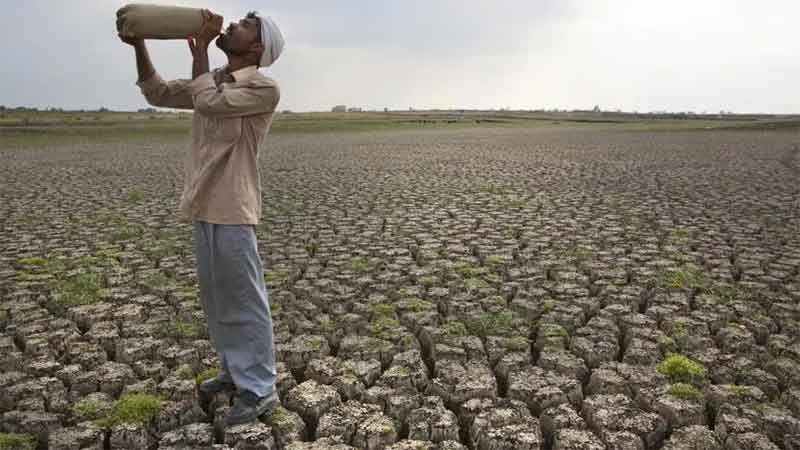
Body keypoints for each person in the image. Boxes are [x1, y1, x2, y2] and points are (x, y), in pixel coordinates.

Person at [119, 9, 285, 426]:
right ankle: (233, 372)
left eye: (244, 23)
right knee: (217, 299)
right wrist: (140, 43)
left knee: (245, 299)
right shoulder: (212, 80)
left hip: (233, 206)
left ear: (257, 45)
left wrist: (202, 53)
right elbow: (156, 92)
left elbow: (208, 103)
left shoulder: (263, 88)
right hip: (204, 203)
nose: (232, 24)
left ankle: (260, 389)